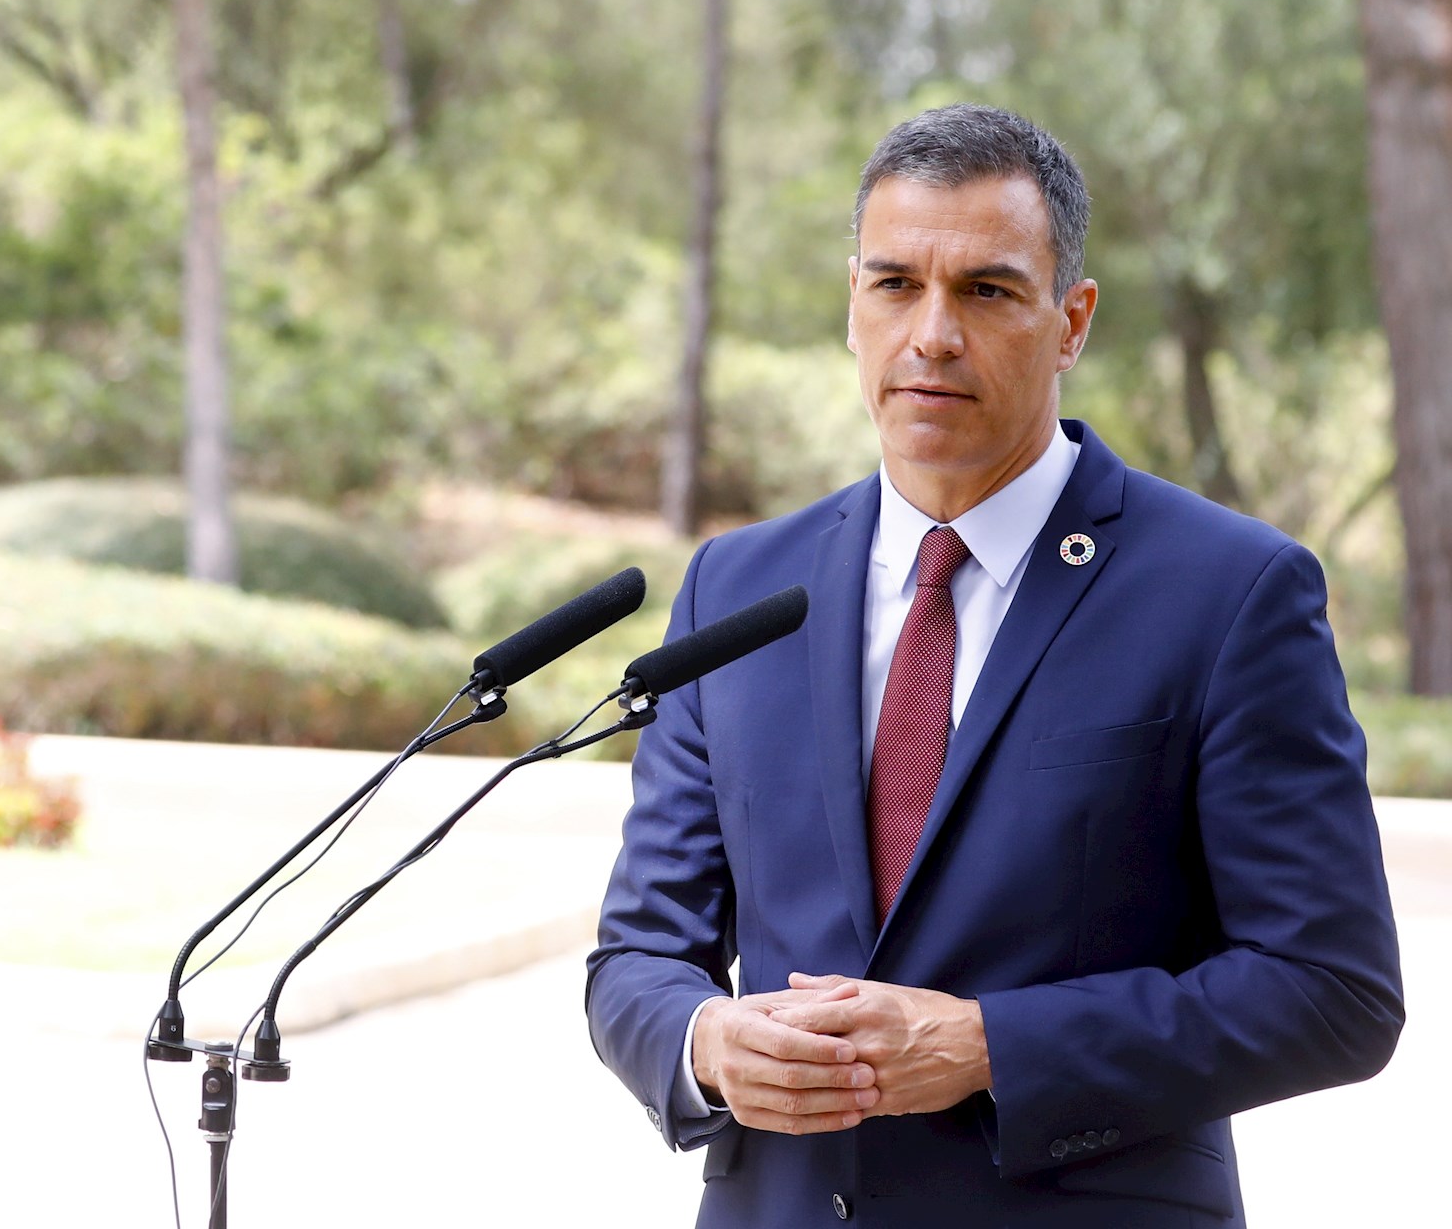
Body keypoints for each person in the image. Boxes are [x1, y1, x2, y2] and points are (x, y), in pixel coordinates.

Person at [586, 104, 1403, 1227]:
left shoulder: (1230, 591)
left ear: (1072, 322)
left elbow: (1333, 988)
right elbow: (639, 953)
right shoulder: (736, 589)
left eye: (986, 290)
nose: (932, 334)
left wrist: (989, 1046)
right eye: (895, 284)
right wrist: (706, 1042)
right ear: (852, 305)